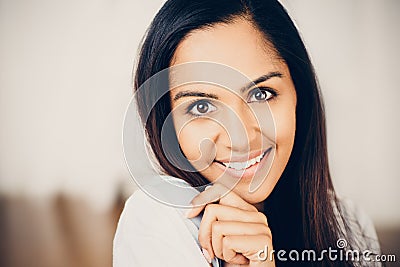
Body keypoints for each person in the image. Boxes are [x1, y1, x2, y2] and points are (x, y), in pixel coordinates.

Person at [114, 0, 381, 266]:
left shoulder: (349, 222)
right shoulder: (159, 218)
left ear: (300, 96)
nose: (240, 138)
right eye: (202, 106)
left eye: (261, 94)